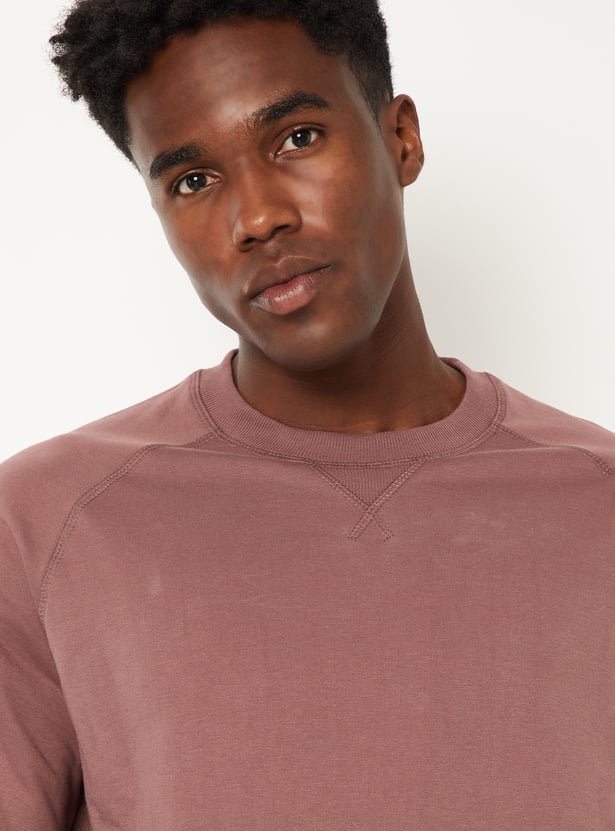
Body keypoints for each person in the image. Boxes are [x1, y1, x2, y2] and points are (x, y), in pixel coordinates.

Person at [0, 0, 613, 828]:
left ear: (401, 139)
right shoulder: (44, 521)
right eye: (192, 180)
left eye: (296, 138)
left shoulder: (599, 501)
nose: (258, 218)